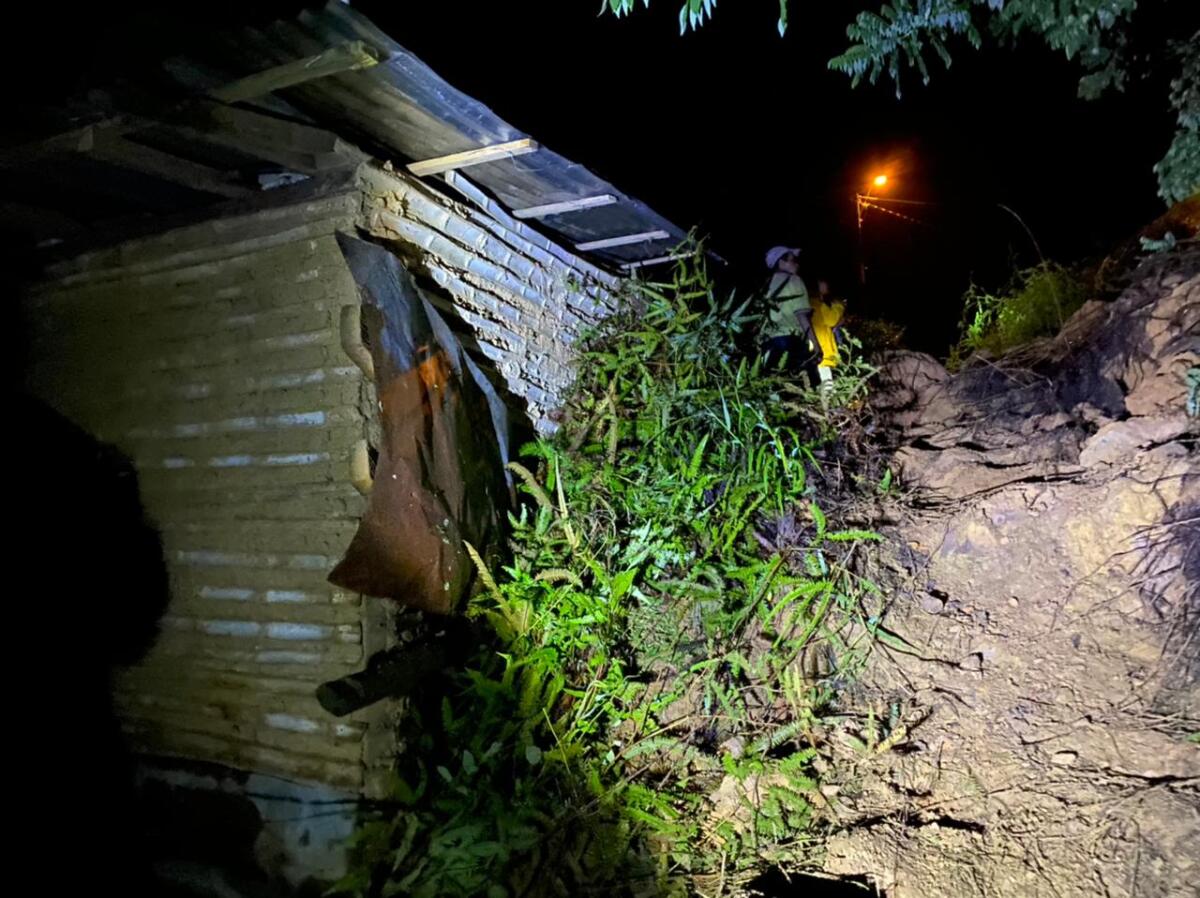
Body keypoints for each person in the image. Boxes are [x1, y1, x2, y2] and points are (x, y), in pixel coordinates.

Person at [759, 245, 819, 382]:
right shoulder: (794, 280)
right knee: (803, 385)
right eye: (792, 260)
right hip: (792, 341)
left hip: (769, 342)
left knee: (776, 385)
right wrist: (815, 345)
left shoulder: (766, 285)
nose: (796, 263)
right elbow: (801, 315)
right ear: (781, 262)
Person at [810, 279, 847, 397]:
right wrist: (839, 306)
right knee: (827, 385)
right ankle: (830, 409)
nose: (827, 284)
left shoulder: (811, 302)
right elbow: (832, 320)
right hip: (821, 349)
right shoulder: (816, 304)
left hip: (814, 349)